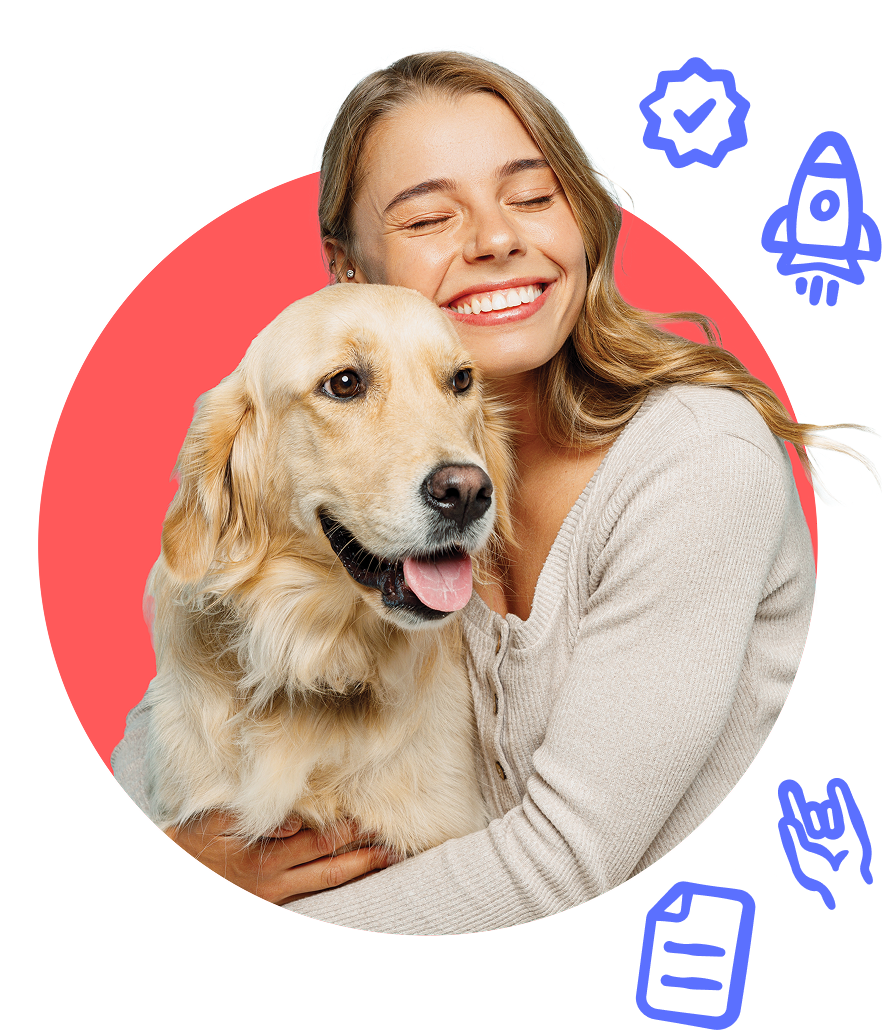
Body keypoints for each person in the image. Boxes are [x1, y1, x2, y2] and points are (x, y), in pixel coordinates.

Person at [110, 46, 879, 934]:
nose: (496, 239)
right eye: (429, 217)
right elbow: (173, 712)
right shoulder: (369, 511)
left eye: (534, 196)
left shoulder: (700, 462)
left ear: (582, 220)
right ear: (349, 267)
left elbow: (566, 864)